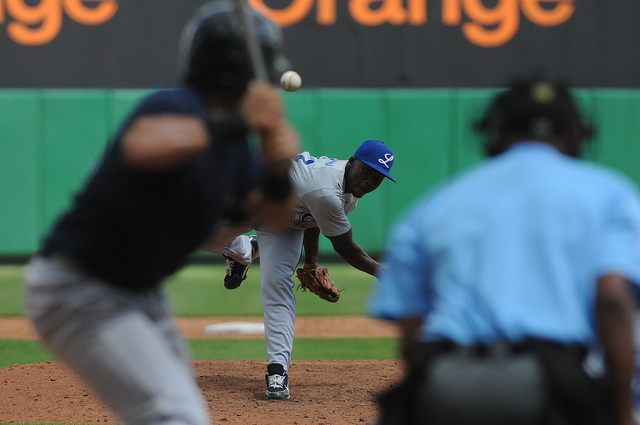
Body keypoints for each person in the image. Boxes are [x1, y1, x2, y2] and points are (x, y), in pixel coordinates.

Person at [23, 2, 300, 425]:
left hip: (137, 293)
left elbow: (276, 217)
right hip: (79, 288)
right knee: (173, 414)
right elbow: (143, 146)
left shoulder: (237, 150)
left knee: (178, 413)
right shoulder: (175, 106)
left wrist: (278, 172)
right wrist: (238, 121)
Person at [369, 76, 640, 425]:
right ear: (577, 134)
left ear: (493, 134)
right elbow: (612, 296)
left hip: (447, 383)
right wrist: (621, 415)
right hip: (548, 380)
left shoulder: (437, 204)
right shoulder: (611, 195)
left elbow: (411, 330)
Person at [203, 139, 396, 400]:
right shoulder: (326, 189)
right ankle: (244, 251)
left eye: (379, 177)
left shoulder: (347, 194)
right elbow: (345, 247)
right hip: (251, 197)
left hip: (285, 222)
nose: (370, 180)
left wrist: (312, 260)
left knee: (277, 284)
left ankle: (277, 371)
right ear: (352, 162)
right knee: (203, 238)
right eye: (367, 170)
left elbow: (314, 218)